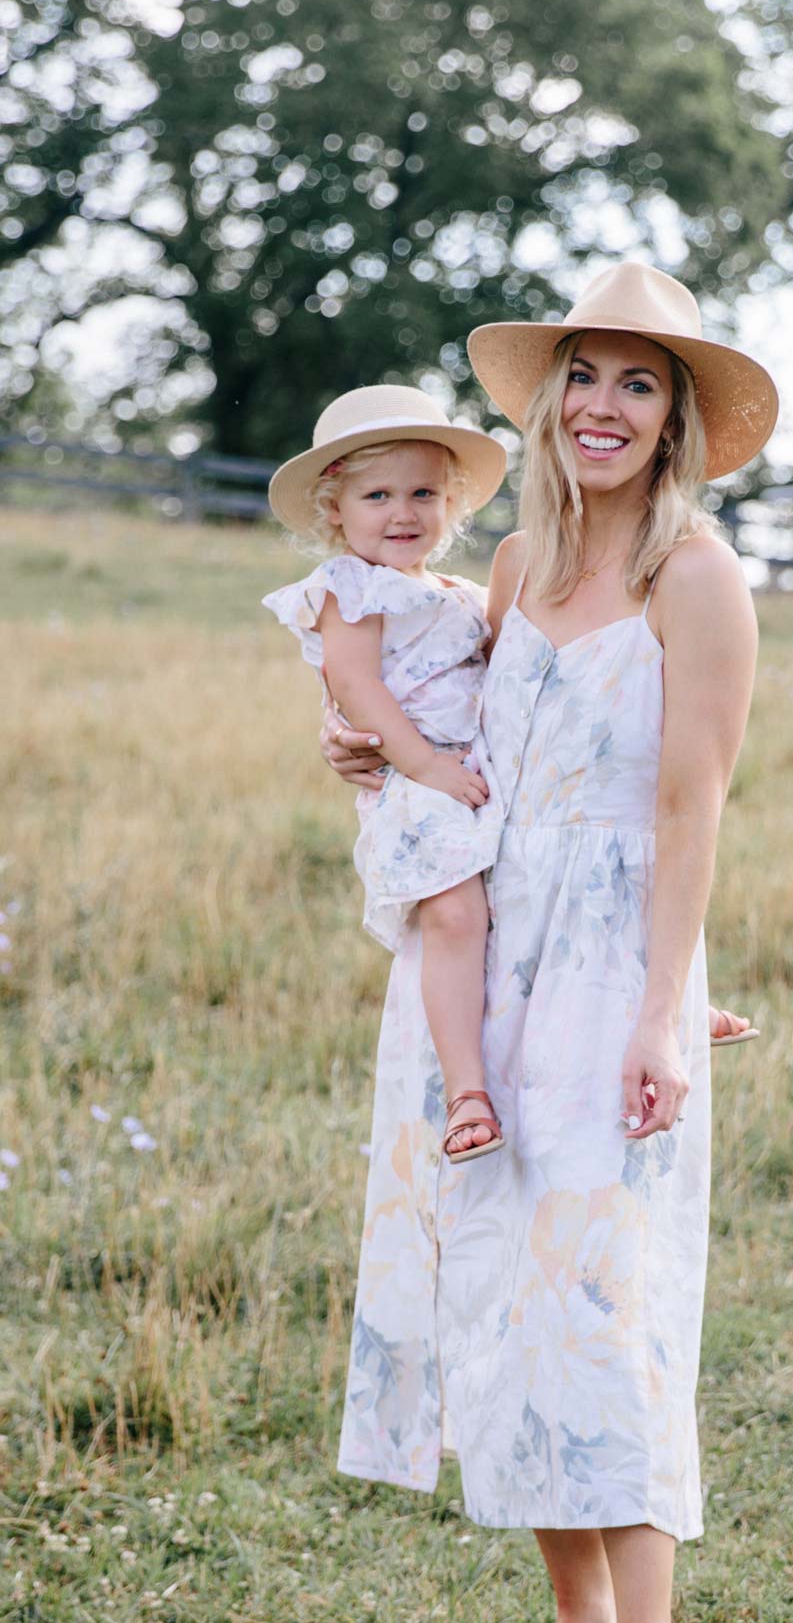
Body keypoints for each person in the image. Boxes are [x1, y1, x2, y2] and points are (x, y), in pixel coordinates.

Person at [321, 264, 777, 1623]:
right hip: (490, 971)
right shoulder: (516, 568)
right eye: (585, 375)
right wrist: (365, 746)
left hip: (608, 979)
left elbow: (690, 805)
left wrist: (662, 1011)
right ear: (548, 397)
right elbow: (464, 743)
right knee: (509, 1295)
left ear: (676, 420)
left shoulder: (694, 577)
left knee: (608, 1306)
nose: (604, 405)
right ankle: (573, 1620)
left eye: (639, 385)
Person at [262, 386, 514, 1163]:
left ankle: (666, 1003)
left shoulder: (460, 595)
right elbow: (356, 684)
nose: (403, 512)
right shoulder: (352, 586)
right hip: (416, 784)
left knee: (554, 885)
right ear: (336, 508)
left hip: (476, 770)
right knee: (456, 919)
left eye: (424, 494)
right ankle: (467, 1089)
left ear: (452, 504)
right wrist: (425, 764)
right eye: (378, 495)